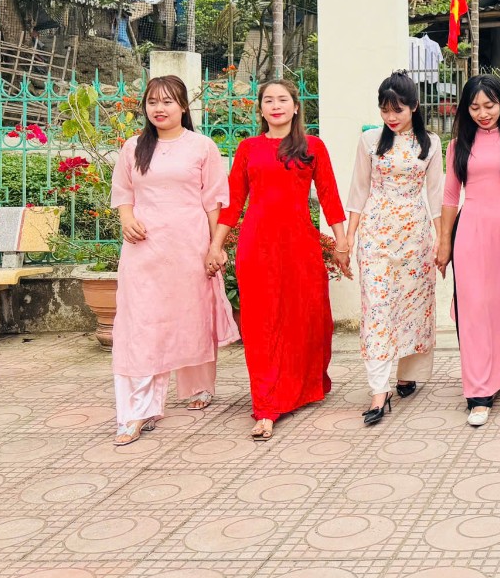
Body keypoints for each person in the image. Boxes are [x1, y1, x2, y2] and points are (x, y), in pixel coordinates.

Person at [207, 80, 346, 442]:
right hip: (257, 246)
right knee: (261, 324)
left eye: (283, 99)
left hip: (300, 245)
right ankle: (267, 405)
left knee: (306, 318)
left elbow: (329, 196)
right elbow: (233, 203)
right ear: (261, 109)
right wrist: (216, 246)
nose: (276, 105)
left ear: (296, 106)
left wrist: (342, 241)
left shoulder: (312, 147)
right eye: (268, 100)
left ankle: (300, 388)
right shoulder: (248, 148)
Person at [109, 76, 238, 447]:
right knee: (139, 326)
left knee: (190, 316)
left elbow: (214, 201)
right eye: (152, 102)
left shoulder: (202, 146)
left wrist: (216, 247)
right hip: (143, 250)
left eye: (167, 101)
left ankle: (198, 385)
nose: (159, 109)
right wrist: (127, 219)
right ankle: (136, 411)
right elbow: (123, 192)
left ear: (183, 106)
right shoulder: (134, 147)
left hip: (188, 247)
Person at [436, 75, 500, 428]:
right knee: (474, 308)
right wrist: (444, 242)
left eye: (489, 105)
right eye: (475, 107)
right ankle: (478, 393)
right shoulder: (458, 146)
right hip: (471, 232)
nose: (483, 113)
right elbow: (450, 197)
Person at [342, 72, 444, 429]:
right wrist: (349, 237)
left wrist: (442, 241)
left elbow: (436, 196)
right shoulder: (370, 141)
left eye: (397, 109)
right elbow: (358, 191)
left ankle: (406, 374)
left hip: (416, 237)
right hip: (375, 234)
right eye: (385, 110)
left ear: (414, 106)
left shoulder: (430, 143)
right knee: (377, 309)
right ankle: (378, 390)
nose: (390, 117)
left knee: (412, 307)